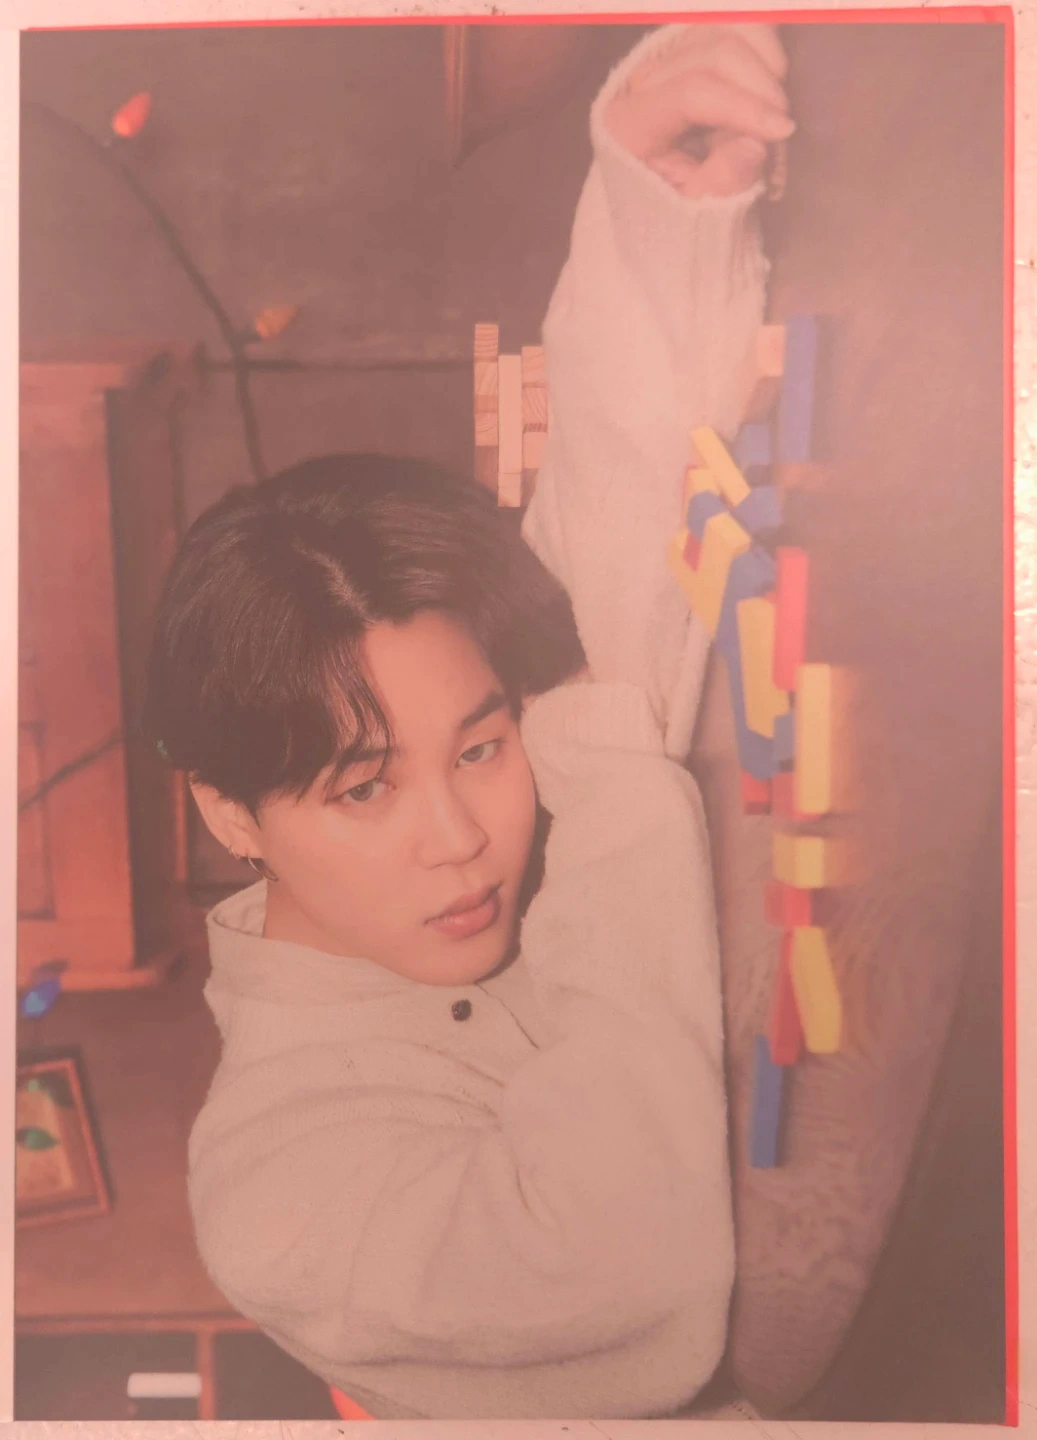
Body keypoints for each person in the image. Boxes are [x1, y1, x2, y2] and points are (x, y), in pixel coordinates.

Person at [146, 22, 792, 1420]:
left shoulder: (487, 819)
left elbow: (604, 529)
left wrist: (654, 199)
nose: (461, 839)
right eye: (363, 788)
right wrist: (599, 773)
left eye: (482, 748)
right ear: (226, 810)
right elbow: (628, 1257)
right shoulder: (272, 1193)